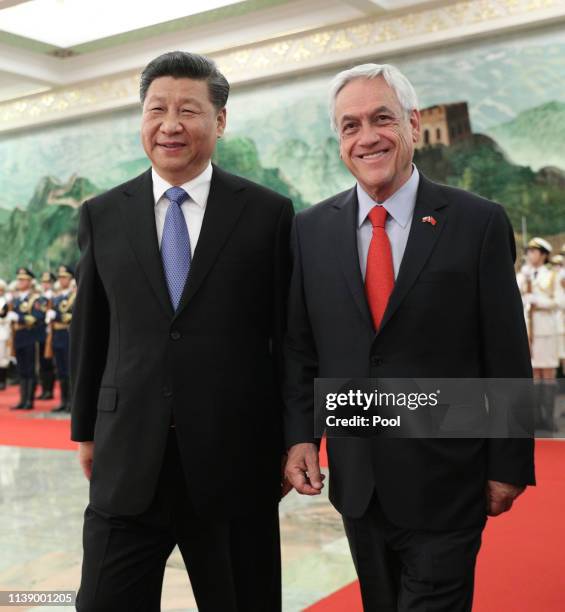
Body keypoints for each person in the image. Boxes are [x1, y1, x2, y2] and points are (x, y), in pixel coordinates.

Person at [283, 63, 535, 611]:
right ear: (340, 141)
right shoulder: (309, 231)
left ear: (414, 125)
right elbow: (301, 348)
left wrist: (510, 462)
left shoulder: (478, 222)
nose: (367, 137)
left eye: (381, 119)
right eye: (350, 126)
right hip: (358, 483)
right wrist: (302, 436)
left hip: (449, 478)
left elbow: (506, 350)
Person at [70, 51, 293, 612]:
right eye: (156, 109)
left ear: (219, 121)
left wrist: (297, 437)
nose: (170, 125)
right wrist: (84, 429)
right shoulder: (103, 213)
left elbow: (289, 339)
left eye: (188, 110)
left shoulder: (267, 214)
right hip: (127, 459)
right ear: (141, 119)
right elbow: (91, 330)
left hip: (234, 460)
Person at [517, 238, 563, 431]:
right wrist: (523, 283)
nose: (530, 255)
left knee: (548, 373)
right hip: (528, 329)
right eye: (528, 251)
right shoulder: (522, 275)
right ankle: (535, 417)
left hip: (546, 328)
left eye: (534, 252)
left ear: (543, 255)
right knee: (533, 372)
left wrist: (539, 301)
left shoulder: (552, 276)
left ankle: (549, 418)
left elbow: (560, 302)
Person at [6, 268, 47, 410]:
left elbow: (39, 317)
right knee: (21, 369)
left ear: (30, 281)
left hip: (31, 336)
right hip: (19, 336)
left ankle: (29, 400)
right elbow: (5, 312)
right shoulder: (16, 299)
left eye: (23, 279)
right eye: (19, 279)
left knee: (30, 369)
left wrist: (20, 318)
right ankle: (22, 399)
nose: (20, 282)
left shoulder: (37, 298)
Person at [48, 265, 75, 413]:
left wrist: (56, 316)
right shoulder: (57, 297)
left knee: (70, 368)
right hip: (57, 334)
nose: (61, 279)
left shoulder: (74, 296)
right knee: (61, 370)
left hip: (68, 333)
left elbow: (69, 316)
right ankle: (63, 401)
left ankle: (72, 401)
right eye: (60, 277)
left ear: (70, 278)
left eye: (64, 277)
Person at [37, 271, 56, 400]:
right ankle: (44, 389)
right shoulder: (40, 297)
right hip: (40, 332)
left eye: (48, 282)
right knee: (42, 362)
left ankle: (49, 390)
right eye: (43, 282)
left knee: (49, 362)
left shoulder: (54, 297)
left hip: (51, 332)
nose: (45, 285)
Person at [0, 279, 10, 390]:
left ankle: (2, 381)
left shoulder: (6, 302)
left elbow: (5, 316)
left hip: (2, 332)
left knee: (2, 358)